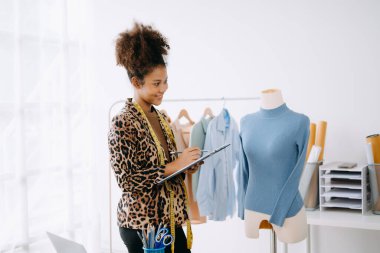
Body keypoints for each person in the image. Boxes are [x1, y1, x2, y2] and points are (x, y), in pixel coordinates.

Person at [108, 22, 202, 253]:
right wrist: (174, 166)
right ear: (136, 82)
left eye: (166, 81)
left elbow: (164, 166)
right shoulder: (122, 122)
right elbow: (127, 181)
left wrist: (185, 165)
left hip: (168, 220)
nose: (164, 88)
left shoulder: (160, 118)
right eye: (156, 84)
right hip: (142, 227)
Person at [238, 89, 309, 243]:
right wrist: (241, 206)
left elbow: (297, 173)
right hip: (252, 207)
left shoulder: (299, 122)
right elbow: (243, 170)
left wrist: (280, 211)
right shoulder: (245, 122)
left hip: (287, 211)